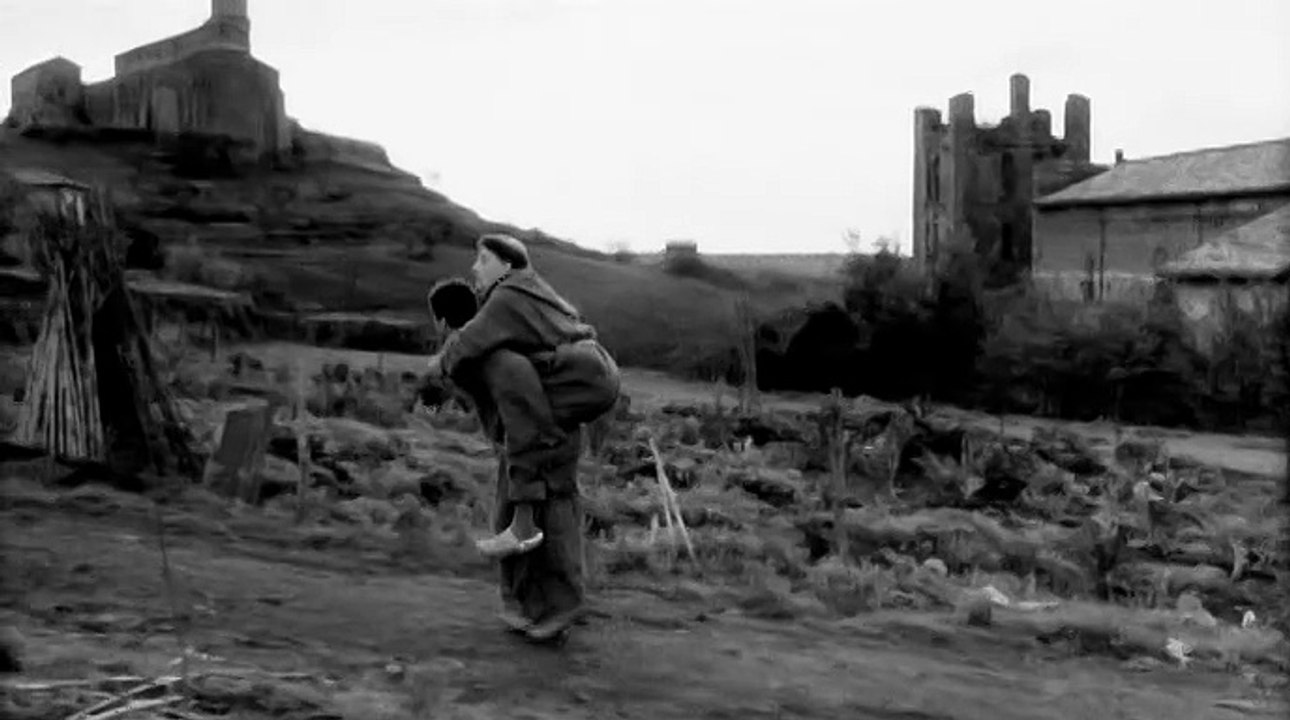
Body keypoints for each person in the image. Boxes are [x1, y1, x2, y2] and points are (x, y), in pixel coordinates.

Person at [424, 234, 601, 643]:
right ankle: (526, 606)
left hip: (543, 440)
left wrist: (525, 474)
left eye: (483, 260)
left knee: (550, 519)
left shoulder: (495, 356)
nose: (475, 267)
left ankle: (561, 607)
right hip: (528, 438)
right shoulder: (490, 344)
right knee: (512, 519)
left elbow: (524, 416)